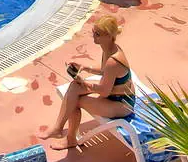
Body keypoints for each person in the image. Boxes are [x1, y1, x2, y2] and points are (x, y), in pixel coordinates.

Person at [48, 16, 136, 150]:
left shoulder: (113, 60)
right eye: (93, 32)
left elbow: (104, 91)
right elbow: (105, 69)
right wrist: (85, 67)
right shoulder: (110, 48)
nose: (93, 36)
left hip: (121, 105)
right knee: (74, 87)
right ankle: (58, 128)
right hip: (115, 94)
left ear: (108, 36)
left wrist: (84, 83)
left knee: (74, 101)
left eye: (97, 34)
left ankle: (70, 139)